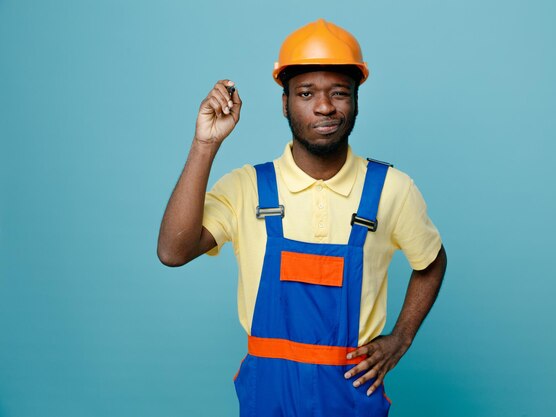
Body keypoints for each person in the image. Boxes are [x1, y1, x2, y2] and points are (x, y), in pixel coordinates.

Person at [158, 18, 447, 417]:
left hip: (351, 395)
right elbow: (173, 251)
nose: (324, 106)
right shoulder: (247, 189)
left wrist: (401, 338)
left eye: (339, 93)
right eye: (307, 93)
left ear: (357, 99)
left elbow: (432, 262)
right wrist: (205, 143)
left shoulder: (392, 190)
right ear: (285, 102)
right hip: (268, 398)